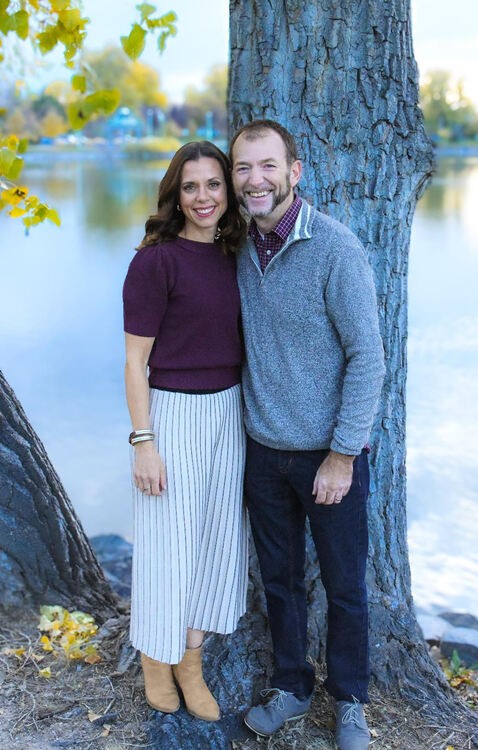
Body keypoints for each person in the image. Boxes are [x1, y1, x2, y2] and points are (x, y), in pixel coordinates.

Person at [229, 120, 385, 750]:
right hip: (264, 453)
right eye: (243, 168)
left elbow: (367, 357)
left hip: (330, 456)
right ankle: (291, 686)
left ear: (294, 172)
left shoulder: (334, 248)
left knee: (345, 587)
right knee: (280, 581)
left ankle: (349, 700)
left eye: (267, 166)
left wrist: (343, 455)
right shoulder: (235, 247)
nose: (255, 180)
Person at [122, 141, 248, 722]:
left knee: (216, 544)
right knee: (166, 547)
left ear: (229, 191)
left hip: (229, 413)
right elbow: (134, 362)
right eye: (191, 186)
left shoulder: (235, 254)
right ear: (175, 194)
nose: (203, 197)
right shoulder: (155, 262)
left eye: (213, 184)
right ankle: (155, 658)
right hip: (171, 416)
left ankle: (190, 661)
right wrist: (143, 442)